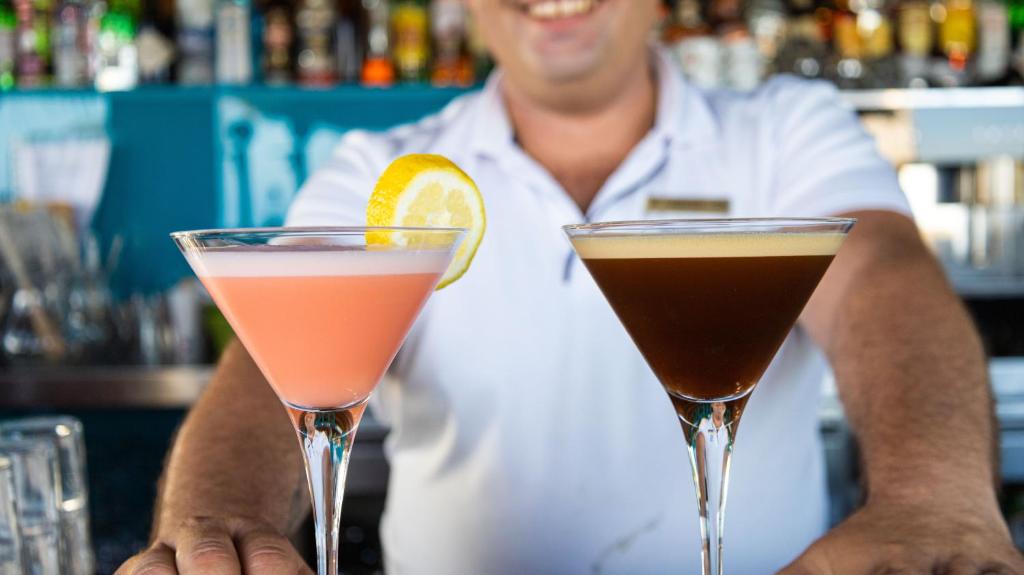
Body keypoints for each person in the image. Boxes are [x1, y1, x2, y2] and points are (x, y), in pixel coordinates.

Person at [118, 0, 1023, 573]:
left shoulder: (787, 129)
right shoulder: (385, 174)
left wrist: (933, 495)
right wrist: (220, 523)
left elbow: (882, 283)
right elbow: (280, 359)